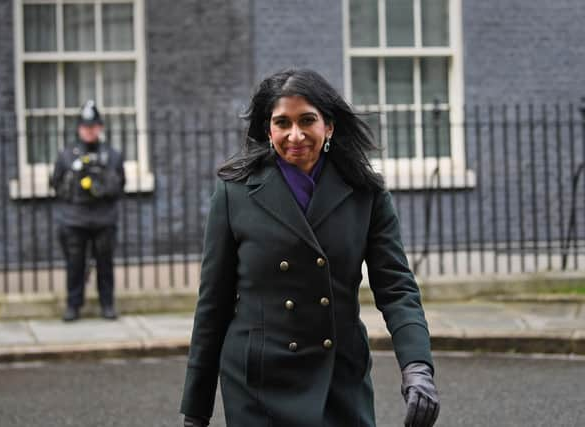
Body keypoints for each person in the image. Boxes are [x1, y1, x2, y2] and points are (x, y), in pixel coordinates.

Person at [180, 69, 440, 427]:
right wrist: (196, 411)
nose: (295, 135)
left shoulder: (365, 192)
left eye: (307, 120)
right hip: (258, 382)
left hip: (337, 377)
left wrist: (417, 367)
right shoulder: (235, 193)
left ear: (328, 126)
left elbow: (397, 288)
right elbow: (214, 304)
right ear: (268, 130)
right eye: (282, 122)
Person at [50, 100, 126, 322]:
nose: (89, 131)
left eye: (93, 126)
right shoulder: (66, 156)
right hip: (74, 219)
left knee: (105, 263)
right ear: (79, 128)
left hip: (104, 219)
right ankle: (73, 305)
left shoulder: (112, 155)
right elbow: (55, 184)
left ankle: (107, 304)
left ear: (100, 127)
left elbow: (120, 185)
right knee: (75, 264)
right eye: (85, 126)